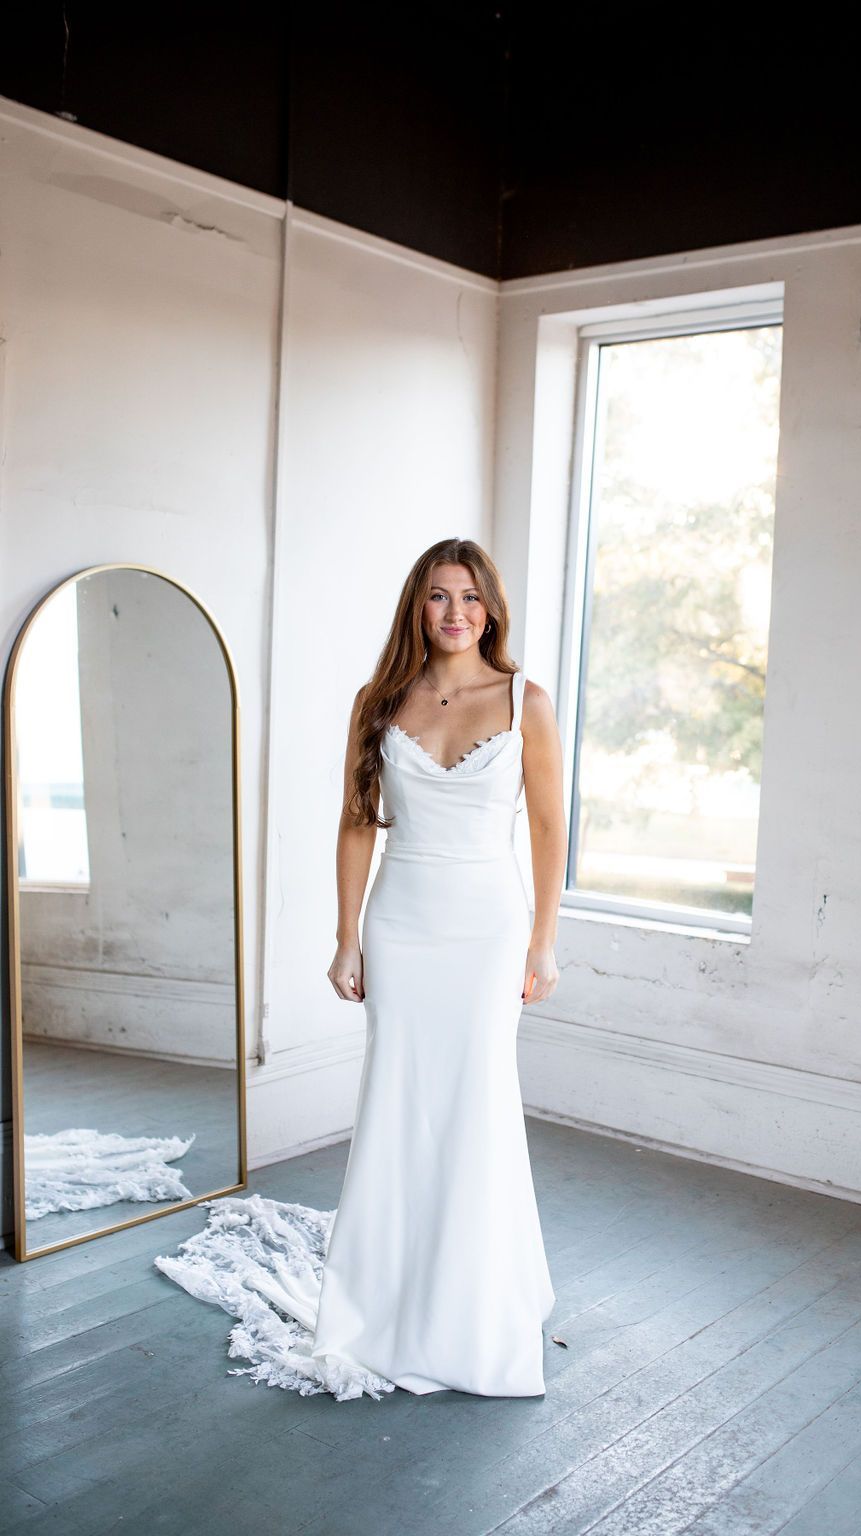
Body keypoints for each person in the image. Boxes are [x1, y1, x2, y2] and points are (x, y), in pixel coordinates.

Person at [155, 537, 566, 1401]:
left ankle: (481, 1304)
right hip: (404, 923)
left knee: (477, 1103)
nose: (455, 612)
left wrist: (544, 942)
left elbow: (549, 833)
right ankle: (383, 1303)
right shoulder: (378, 702)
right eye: (438, 597)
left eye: (470, 597)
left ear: (491, 608)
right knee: (399, 1103)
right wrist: (348, 937)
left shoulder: (525, 703)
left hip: (489, 927)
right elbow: (356, 821)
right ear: (417, 607)